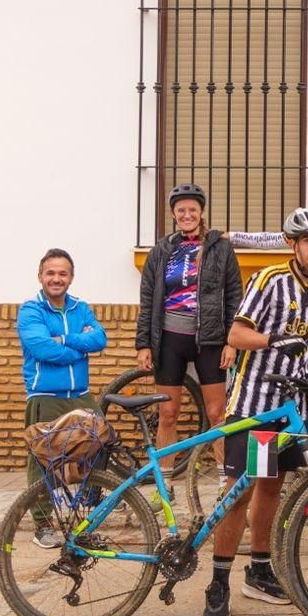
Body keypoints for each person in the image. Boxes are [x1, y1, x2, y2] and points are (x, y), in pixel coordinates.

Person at [204, 207, 308, 616]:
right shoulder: (269, 280)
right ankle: (218, 582)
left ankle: (259, 571)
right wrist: (273, 339)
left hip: (292, 409)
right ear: (293, 243)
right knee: (240, 494)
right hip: (255, 405)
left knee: (272, 490)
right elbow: (236, 335)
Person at [135, 184, 242, 469]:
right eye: (181, 210)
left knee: (217, 412)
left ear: (201, 212)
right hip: (169, 340)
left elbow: (234, 296)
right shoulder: (161, 250)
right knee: (168, 412)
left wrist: (231, 341)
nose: (187, 214)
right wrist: (143, 343)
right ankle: (164, 485)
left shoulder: (220, 247)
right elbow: (148, 298)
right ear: (173, 214)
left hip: (210, 340)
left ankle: (224, 482)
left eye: (192, 209)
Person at [16, 249, 108, 548]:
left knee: (103, 440)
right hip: (45, 396)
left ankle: (86, 514)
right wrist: (79, 350)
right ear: (40, 276)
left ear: (71, 277)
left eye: (63, 273)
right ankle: (42, 524)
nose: (56, 279)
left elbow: (100, 339)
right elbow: (42, 349)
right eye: (51, 273)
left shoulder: (80, 307)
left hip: (80, 395)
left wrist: (67, 340)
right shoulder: (31, 310)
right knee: (41, 459)